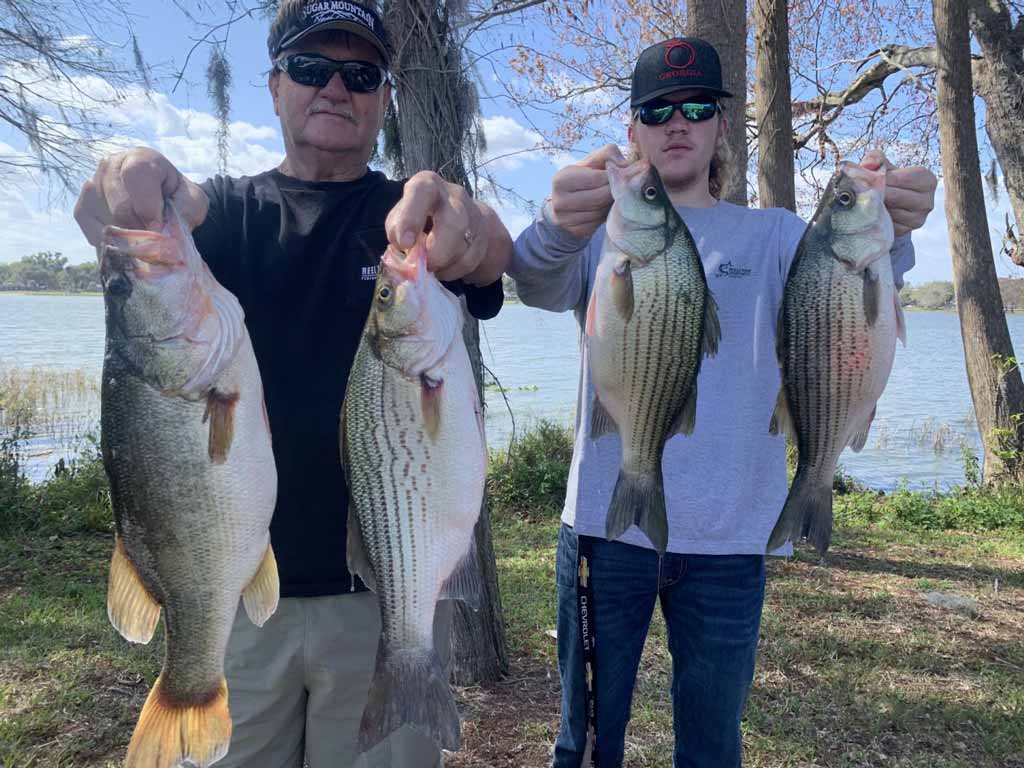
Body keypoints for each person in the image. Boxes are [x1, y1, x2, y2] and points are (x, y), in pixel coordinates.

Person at [74, 1, 512, 766]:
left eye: (361, 73)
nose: (336, 88)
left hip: (387, 594)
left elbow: (488, 252)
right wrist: (119, 186)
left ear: (385, 96)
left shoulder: (407, 222)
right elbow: (128, 235)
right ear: (274, 86)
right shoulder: (219, 219)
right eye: (312, 68)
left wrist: (466, 228)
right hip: (237, 597)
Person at [508, 37, 937, 768]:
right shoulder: (602, 234)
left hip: (733, 541)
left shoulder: (773, 236)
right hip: (602, 535)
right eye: (658, 110)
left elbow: (847, 280)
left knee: (711, 748)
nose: (678, 123)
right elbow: (527, 279)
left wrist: (897, 215)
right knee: (583, 744)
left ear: (718, 129)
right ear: (635, 129)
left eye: (698, 107)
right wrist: (556, 222)